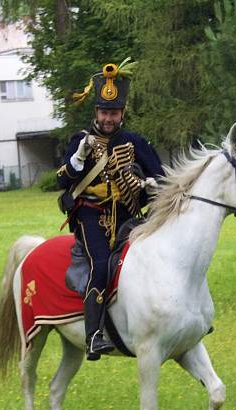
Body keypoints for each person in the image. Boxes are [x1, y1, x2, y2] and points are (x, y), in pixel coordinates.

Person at [56, 59, 164, 361]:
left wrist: (151, 185)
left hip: (129, 216)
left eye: (113, 113)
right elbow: (62, 180)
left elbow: (161, 175)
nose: (108, 118)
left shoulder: (134, 141)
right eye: (104, 112)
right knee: (102, 264)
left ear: (122, 113)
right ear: (96, 112)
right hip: (91, 216)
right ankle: (93, 335)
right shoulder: (81, 140)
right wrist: (79, 158)